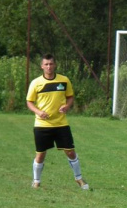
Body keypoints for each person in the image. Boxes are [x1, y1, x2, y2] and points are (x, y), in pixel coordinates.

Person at [26, 53, 89, 190]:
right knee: (41, 154)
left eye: (51, 64)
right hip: (42, 125)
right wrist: (38, 112)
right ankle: (36, 181)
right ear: (42, 66)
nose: (49, 67)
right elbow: (29, 102)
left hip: (61, 124)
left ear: (55, 65)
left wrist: (67, 106)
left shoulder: (64, 80)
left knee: (70, 152)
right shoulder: (36, 83)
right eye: (46, 64)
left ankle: (79, 179)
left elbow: (70, 97)